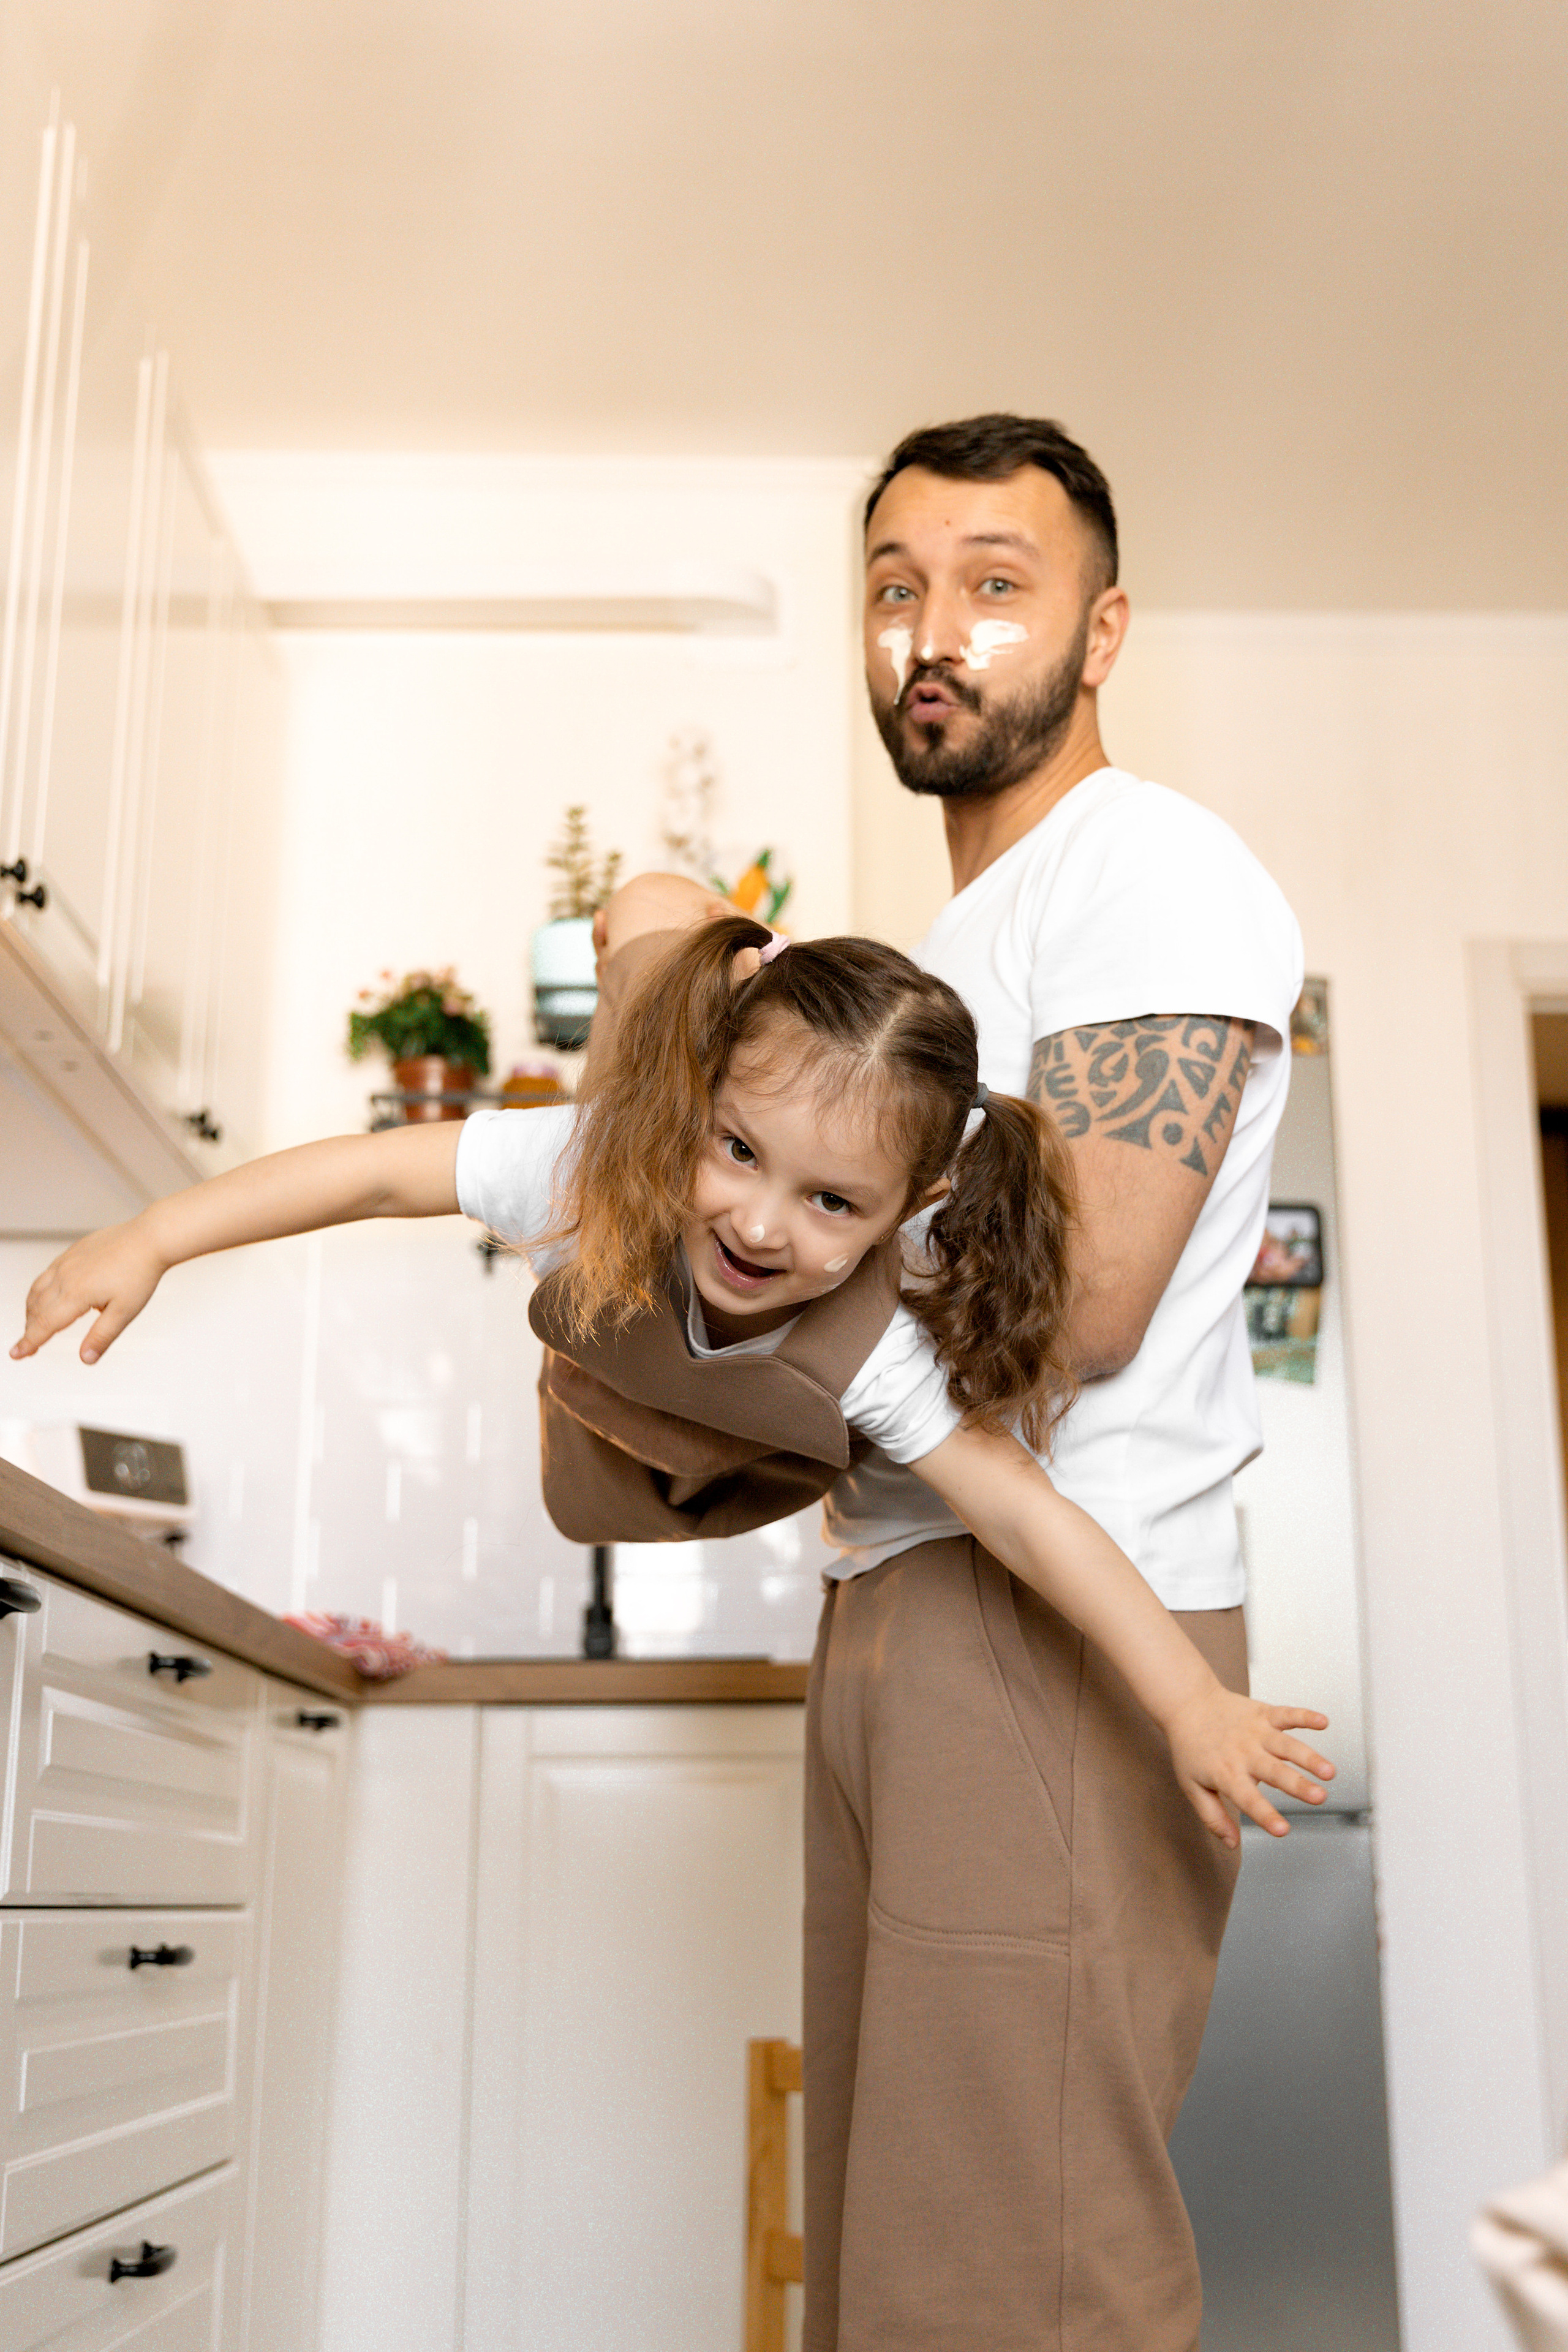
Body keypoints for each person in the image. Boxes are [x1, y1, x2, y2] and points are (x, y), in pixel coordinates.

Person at [11, 908, 1330, 1888]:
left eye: (829, 1204)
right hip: (609, 1353)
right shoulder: (601, 1161)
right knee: (652, 934)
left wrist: (1186, 1700)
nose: (760, 1226)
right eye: (739, 1151)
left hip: (717, 1443)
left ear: (908, 1212)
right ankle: (670, 942)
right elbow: (371, 1176)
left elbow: (1028, 1516)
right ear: (700, 1104)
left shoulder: (877, 1345)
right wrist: (151, 1239)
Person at [799, 412, 1306, 2352]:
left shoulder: (1148, 866)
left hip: (1062, 1622)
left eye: (996, 587)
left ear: (1101, 635)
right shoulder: (956, 941)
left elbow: (1081, 1301)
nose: (936, 631)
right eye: (898, 589)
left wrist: (743, 1314)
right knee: (910, 2271)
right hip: (908, 1597)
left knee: (1023, 2281)